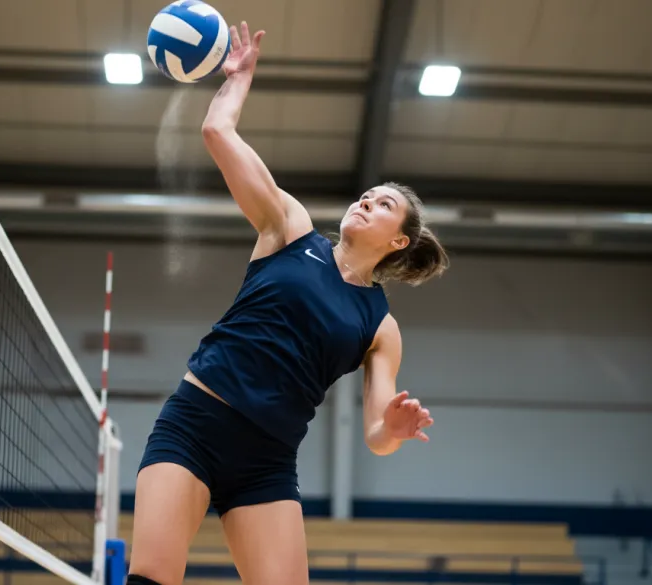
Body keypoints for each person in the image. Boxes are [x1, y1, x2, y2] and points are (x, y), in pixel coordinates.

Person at [127, 22, 449, 585]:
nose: (367, 200)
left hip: (267, 461)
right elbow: (217, 132)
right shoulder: (290, 230)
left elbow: (375, 435)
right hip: (195, 424)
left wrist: (393, 432)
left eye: (384, 204)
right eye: (367, 195)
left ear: (399, 241)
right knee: (151, 579)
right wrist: (237, 80)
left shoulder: (381, 326)